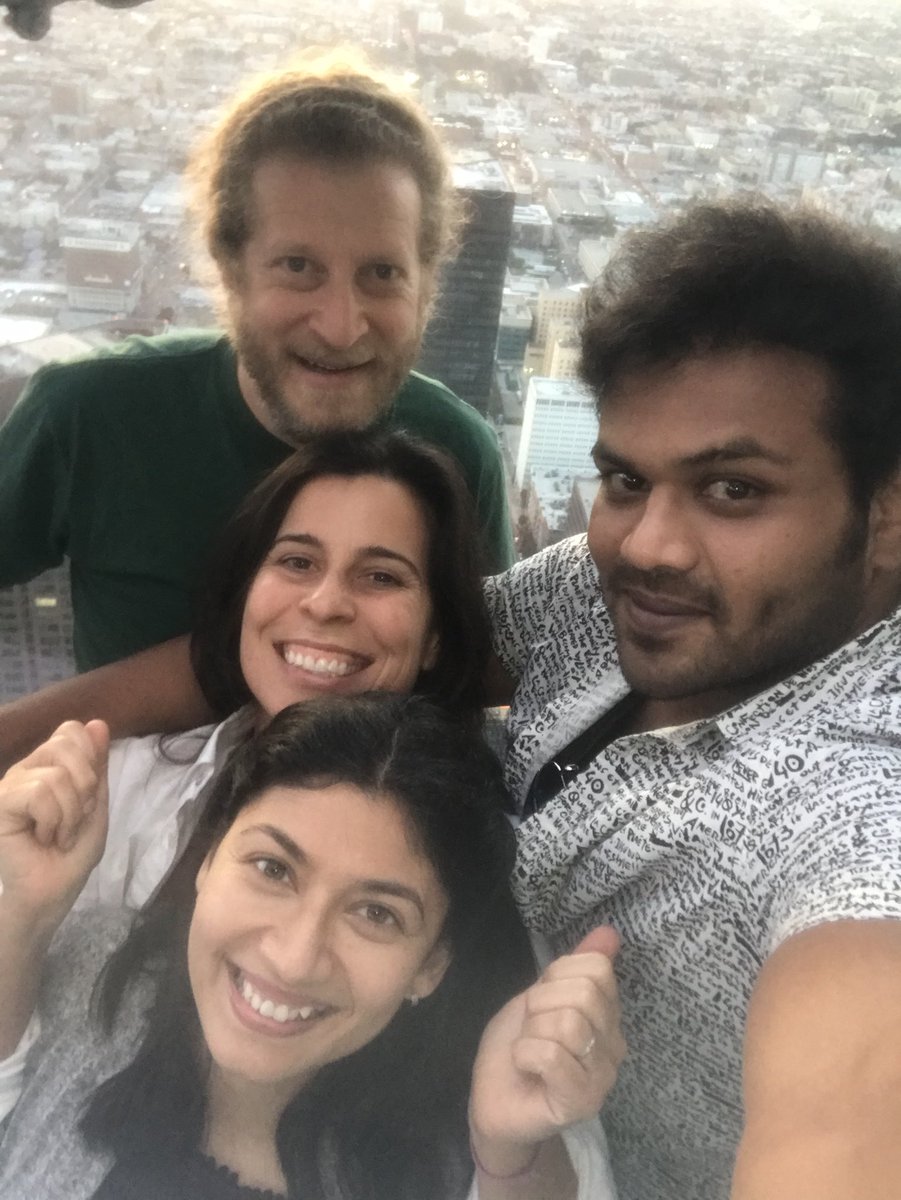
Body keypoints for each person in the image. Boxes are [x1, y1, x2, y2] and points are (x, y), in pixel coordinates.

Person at [485, 200, 901, 1200]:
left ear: (886, 515)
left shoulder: (860, 805)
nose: (648, 544)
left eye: (732, 491)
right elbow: (386, 650)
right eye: (625, 480)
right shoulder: (602, 590)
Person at [0, 49, 513, 767]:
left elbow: (476, 682)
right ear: (230, 268)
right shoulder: (88, 415)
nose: (341, 325)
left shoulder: (455, 451)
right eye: (298, 267)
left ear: (427, 286)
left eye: (382, 273)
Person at [0, 693, 623, 1200]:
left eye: (377, 914)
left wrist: (508, 1157)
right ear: (208, 859)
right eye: (273, 869)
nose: (294, 959)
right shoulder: (92, 970)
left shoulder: (484, 1132)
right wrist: (22, 917)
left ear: (430, 966)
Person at [77, 428, 493, 910]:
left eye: (381, 576)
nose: (325, 604)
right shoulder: (112, 789)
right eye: (297, 561)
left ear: (434, 638)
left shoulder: (482, 862)